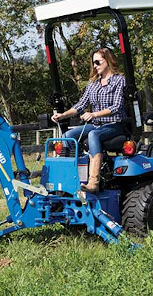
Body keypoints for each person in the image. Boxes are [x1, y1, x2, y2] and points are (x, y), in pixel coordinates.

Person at [51, 47, 128, 193]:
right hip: (96, 125)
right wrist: (62, 115)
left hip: (114, 125)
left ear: (108, 61)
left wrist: (94, 115)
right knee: (67, 136)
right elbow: (81, 105)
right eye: (93, 63)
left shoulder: (119, 80)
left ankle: (94, 182)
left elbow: (117, 106)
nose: (95, 66)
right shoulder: (93, 84)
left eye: (98, 62)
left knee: (93, 135)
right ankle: (71, 178)